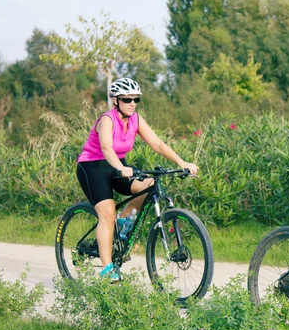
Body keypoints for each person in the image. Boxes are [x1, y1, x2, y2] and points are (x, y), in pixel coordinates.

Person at [76, 78, 199, 281]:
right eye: (127, 99)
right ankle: (107, 268)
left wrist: (181, 161)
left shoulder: (136, 120)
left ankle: (123, 218)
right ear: (116, 100)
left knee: (149, 184)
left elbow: (157, 144)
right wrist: (120, 168)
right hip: (93, 166)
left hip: (118, 164)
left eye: (136, 99)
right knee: (107, 212)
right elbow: (106, 148)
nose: (132, 103)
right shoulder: (107, 120)